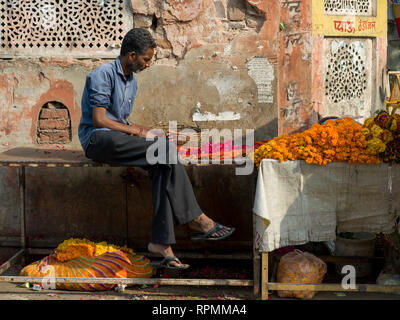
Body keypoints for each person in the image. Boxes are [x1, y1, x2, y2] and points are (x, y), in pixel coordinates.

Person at [78, 28, 235, 269]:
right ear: (131, 55)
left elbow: (122, 122)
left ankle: (161, 243)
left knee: (163, 162)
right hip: (97, 140)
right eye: (146, 59)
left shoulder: (131, 83)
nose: (149, 64)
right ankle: (197, 219)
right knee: (164, 151)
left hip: (116, 139)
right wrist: (143, 133)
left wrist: (157, 133)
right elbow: (100, 120)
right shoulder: (102, 75)